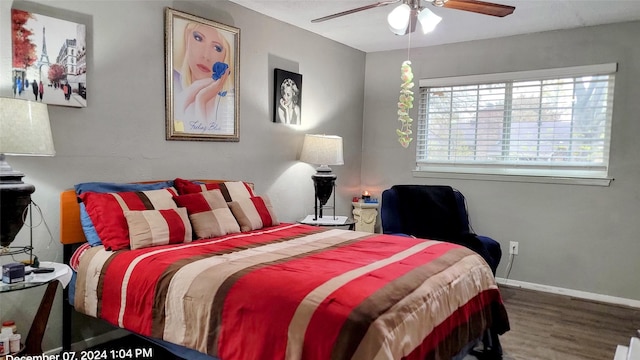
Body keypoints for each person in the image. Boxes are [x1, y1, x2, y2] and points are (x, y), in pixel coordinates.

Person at [173, 20, 235, 134]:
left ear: (226, 56)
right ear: (187, 38)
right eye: (198, 38)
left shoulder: (225, 105)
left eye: (217, 48)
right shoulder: (174, 85)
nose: (206, 56)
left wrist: (201, 99)